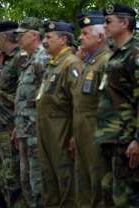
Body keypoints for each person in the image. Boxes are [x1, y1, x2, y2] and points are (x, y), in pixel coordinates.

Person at [96, 4, 139, 206]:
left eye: (108, 21)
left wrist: (137, 139)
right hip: (111, 137)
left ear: (124, 23)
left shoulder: (135, 53)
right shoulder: (115, 54)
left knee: (126, 199)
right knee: (110, 194)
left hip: (127, 139)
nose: (104, 26)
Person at [36, 21, 82, 207]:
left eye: (49, 37)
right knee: (50, 183)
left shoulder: (71, 64)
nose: (44, 41)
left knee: (66, 183)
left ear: (63, 40)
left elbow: (78, 104)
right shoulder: (54, 64)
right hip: (47, 132)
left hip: (61, 133)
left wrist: (74, 136)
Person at [71, 11, 112, 208]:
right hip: (82, 134)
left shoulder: (106, 62)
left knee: (98, 188)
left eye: (85, 33)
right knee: (84, 188)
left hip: (97, 135)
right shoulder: (89, 63)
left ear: (100, 37)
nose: (80, 37)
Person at [14, 17, 47, 208]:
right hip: (25, 129)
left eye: (22, 34)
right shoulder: (29, 60)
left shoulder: (42, 60)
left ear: (34, 35)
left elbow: (47, 99)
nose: (18, 38)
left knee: (38, 181)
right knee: (26, 179)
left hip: (36, 130)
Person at [0, 20, 26, 207]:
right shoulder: (8, 60)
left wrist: (17, 123)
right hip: (2, 126)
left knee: (13, 178)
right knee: (5, 177)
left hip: (11, 126)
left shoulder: (19, 59)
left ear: (3, 37)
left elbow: (24, 94)